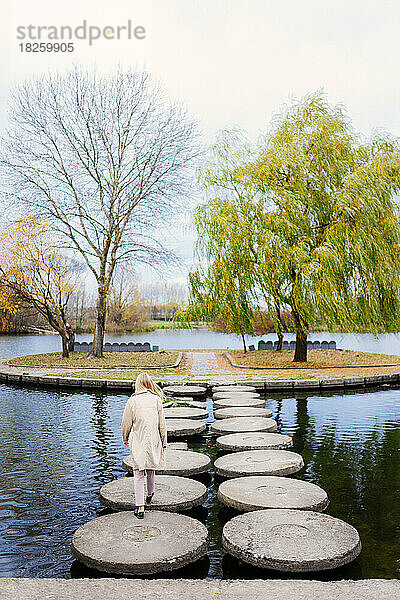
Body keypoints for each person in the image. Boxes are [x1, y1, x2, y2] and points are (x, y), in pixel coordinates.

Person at [122, 372, 167, 519]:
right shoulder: (156, 400)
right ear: (149, 383)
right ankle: (150, 493)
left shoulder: (132, 401)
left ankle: (140, 507)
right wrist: (164, 441)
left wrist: (125, 437)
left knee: (138, 472)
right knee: (151, 468)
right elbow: (162, 425)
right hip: (154, 439)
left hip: (138, 440)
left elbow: (126, 423)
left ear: (138, 384)